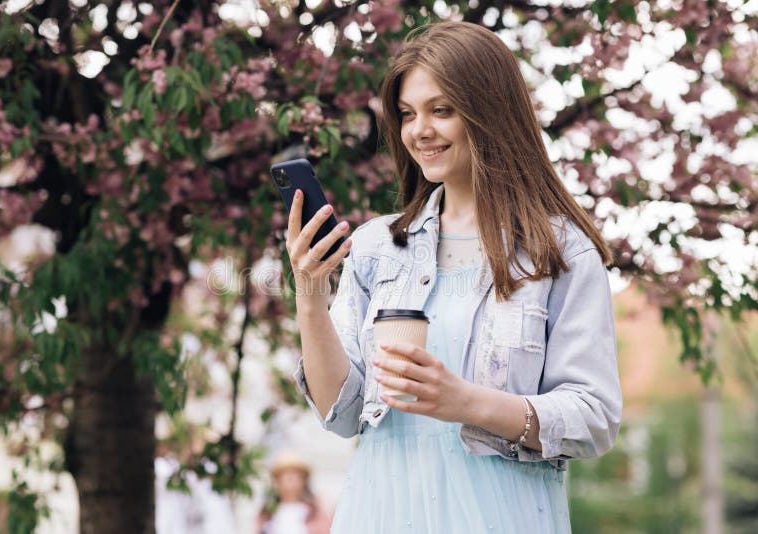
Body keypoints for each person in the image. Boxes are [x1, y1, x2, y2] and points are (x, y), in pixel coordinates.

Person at [284, 21, 622, 533]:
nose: (420, 130)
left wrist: (468, 403)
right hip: (379, 513)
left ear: (489, 111)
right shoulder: (376, 246)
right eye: (407, 114)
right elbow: (343, 411)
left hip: (500, 517)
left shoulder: (561, 251)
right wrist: (310, 298)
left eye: (441, 110)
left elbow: (593, 417)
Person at [257, 450, 332, 534]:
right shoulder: (267, 512)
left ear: (304, 480)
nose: (290, 478)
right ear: (277, 480)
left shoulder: (317, 509)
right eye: (286, 474)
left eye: (295, 474)